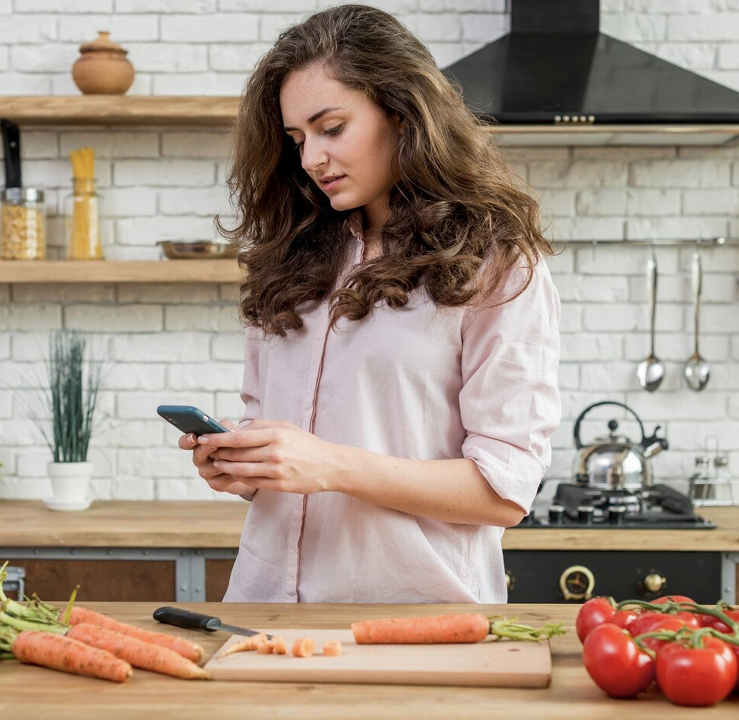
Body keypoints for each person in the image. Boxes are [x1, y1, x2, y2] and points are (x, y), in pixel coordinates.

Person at [178, 4, 561, 603]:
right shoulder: (290, 257)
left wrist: (329, 466)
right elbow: (284, 446)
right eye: (297, 139)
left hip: (417, 622)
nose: (310, 159)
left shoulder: (497, 263)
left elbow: (503, 492)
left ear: (402, 111)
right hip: (265, 610)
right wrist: (245, 466)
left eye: (331, 128)